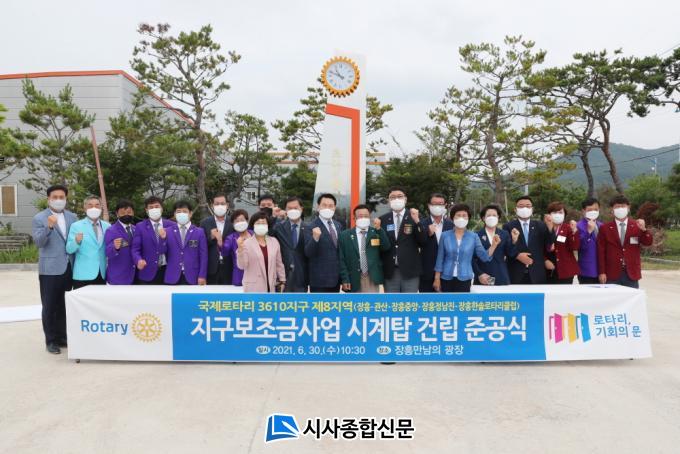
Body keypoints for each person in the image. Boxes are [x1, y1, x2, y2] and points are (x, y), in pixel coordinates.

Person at [32, 184, 77, 354]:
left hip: (68, 267)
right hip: (50, 269)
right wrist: (49, 227)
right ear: (48, 199)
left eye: (61, 197)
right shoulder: (39, 218)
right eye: (55, 197)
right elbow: (39, 242)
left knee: (64, 305)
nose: (58, 200)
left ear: (66, 199)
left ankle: (62, 336)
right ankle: (50, 341)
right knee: (50, 305)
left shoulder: (72, 216)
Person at [434, 204, 499, 292]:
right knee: (447, 300)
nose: (461, 218)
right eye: (458, 215)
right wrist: (437, 278)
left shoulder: (473, 236)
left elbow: (484, 256)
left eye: (464, 215)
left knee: (463, 300)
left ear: (468, 218)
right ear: (452, 218)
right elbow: (440, 258)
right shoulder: (445, 235)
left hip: (465, 278)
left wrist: (494, 245)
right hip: (446, 277)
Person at [597, 195, 653, 289]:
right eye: (617, 207)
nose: (620, 209)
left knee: (631, 298)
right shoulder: (605, 228)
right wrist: (602, 272)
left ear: (628, 208)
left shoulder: (637, 225)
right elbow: (601, 252)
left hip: (631, 273)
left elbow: (648, 242)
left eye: (623, 206)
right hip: (611, 273)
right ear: (612, 209)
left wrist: (644, 230)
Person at [380, 186, 428, 293]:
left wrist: (417, 221)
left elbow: (423, 240)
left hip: (410, 271)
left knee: (409, 302)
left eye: (399, 196)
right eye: (392, 197)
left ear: (405, 199)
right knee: (392, 302)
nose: (396, 199)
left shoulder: (415, 216)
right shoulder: (383, 219)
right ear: (389, 200)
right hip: (390, 271)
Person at [338, 204, 391, 293]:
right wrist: (345, 278)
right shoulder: (344, 235)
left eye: (366, 216)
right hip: (353, 278)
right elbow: (341, 259)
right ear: (354, 218)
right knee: (353, 302)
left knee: (371, 302)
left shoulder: (376, 232)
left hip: (372, 278)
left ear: (369, 217)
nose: (363, 218)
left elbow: (386, 247)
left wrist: (379, 229)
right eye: (360, 216)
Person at [503, 196, 552, 284]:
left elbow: (549, 243)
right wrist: (517, 255)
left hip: (537, 273)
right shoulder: (508, 226)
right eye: (521, 206)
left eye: (528, 206)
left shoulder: (540, 225)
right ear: (515, 209)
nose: (524, 208)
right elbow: (506, 248)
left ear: (532, 209)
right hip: (515, 273)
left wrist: (550, 228)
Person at [66, 196, 110, 289]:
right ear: (85, 208)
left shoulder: (107, 226)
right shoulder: (76, 226)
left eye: (97, 205)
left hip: (101, 274)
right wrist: (76, 241)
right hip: (82, 275)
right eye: (90, 205)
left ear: (101, 207)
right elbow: (69, 249)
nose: (94, 208)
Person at [236, 211, 286, 293]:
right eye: (258, 223)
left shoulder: (274, 241)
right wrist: (240, 249)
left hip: (271, 285)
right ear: (253, 225)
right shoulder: (246, 243)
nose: (261, 225)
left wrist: (282, 280)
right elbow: (242, 265)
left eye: (263, 223)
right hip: (253, 287)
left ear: (268, 225)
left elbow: (279, 264)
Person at [304, 193, 343, 293]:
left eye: (330, 206)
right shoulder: (310, 226)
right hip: (319, 281)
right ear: (318, 207)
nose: (327, 208)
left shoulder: (338, 225)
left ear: (334, 208)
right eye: (324, 205)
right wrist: (315, 238)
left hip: (336, 279)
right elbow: (308, 253)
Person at [132, 196, 174, 285]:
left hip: (168, 271)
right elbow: (135, 249)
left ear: (162, 208)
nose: (154, 209)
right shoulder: (140, 226)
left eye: (157, 206)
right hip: (147, 271)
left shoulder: (172, 225)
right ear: (146, 210)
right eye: (151, 207)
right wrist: (138, 260)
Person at [164, 201, 208, 285]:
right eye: (178, 212)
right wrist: (162, 239)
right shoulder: (168, 231)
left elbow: (203, 256)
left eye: (184, 211)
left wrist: (202, 275)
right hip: (172, 276)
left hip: (193, 276)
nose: (181, 214)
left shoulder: (199, 232)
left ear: (190, 214)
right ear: (174, 214)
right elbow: (161, 251)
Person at [272, 196, 309, 292]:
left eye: (295, 208)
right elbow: (268, 236)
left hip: (302, 276)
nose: (293, 211)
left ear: (301, 209)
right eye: (289, 208)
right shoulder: (279, 227)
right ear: (285, 210)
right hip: (283, 276)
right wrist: (274, 217)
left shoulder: (309, 228)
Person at [472, 204, 514, 286]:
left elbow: (510, 253)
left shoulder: (504, 234)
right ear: (483, 218)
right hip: (483, 277)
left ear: (498, 217)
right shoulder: (476, 235)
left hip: (500, 276)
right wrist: (479, 273)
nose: (491, 217)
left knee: (501, 294)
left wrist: (514, 241)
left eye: (494, 215)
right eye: (488, 215)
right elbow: (471, 258)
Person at [419, 193, 453, 292]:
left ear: (445, 205)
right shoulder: (421, 224)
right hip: (426, 272)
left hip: (447, 272)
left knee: (446, 301)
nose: (437, 206)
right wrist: (427, 233)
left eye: (440, 204)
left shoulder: (451, 225)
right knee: (426, 301)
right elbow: (417, 244)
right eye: (434, 204)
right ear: (429, 205)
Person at [200, 194, 234, 285]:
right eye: (217, 204)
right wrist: (211, 237)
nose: (220, 206)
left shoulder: (233, 222)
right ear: (212, 206)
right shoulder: (205, 223)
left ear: (227, 205)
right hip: (211, 268)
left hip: (229, 267)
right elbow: (201, 246)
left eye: (222, 203)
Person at [543, 201, 580, 284]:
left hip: (566, 270)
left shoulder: (568, 228)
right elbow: (537, 248)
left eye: (560, 212)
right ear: (549, 214)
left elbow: (574, 247)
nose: (557, 215)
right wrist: (544, 260)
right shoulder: (542, 227)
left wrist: (574, 232)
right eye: (554, 212)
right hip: (548, 269)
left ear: (564, 215)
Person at [104, 199, 137, 285]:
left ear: (133, 213)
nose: (126, 215)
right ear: (117, 214)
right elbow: (107, 252)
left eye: (129, 212)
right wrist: (114, 247)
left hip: (136, 275)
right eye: (122, 213)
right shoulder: (111, 230)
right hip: (118, 276)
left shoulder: (136, 229)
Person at [221, 209, 253, 286]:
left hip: (256, 274)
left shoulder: (254, 234)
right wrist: (219, 241)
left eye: (242, 220)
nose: (240, 223)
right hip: (239, 276)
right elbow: (224, 252)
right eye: (237, 221)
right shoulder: (231, 238)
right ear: (233, 224)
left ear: (247, 221)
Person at [576, 197, 604, 284]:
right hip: (587, 270)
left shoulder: (602, 225)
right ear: (583, 211)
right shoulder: (578, 226)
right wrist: (588, 232)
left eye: (596, 209)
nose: (593, 212)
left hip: (602, 270)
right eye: (590, 210)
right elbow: (579, 246)